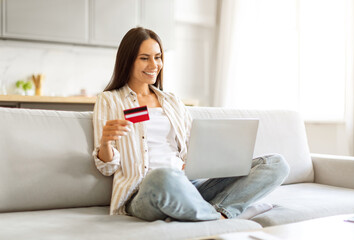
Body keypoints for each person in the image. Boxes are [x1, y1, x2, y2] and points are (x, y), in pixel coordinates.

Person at [92, 27, 290, 221]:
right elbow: (107, 168)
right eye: (144, 58)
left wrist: (211, 160)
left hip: (189, 184)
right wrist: (106, 144)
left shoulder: (172, 101)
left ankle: (215, 212)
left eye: (158, 57)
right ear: (128, 60)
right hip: (147, 191)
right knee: (163, 177)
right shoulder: (109, 100)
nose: (154, 65)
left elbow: (190, 150)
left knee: (276, 164)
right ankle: (226, 215)